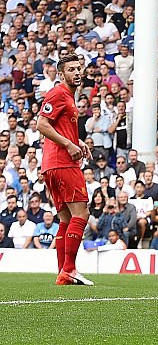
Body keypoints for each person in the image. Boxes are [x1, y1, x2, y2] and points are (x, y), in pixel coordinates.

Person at [37, 54, 95, 285]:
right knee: (82, 214)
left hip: (52, 164)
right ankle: (70, 269)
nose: (77, 72)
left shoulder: (68, 96)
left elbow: (57, 127)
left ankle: (63, 272)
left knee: (66, 218)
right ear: (61, 74)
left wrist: (77, 141)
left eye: (79, 68)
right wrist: (69, 144)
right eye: (71, 69)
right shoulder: (59, 93)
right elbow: (42, 123)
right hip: (62, 162)